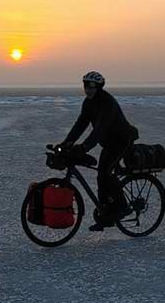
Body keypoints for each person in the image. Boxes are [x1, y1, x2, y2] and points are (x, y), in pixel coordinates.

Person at [59, 71, 138, 231]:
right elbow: (80, 124)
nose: (88, 89)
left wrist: (84, 147)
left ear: (99, 87)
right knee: (101, 177)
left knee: (105, 173)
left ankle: (122, 206)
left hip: (122, 141)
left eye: (92, 87)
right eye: (86, 86)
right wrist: (67, 143)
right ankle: (107, 215)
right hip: (108, 143)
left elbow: (99, 130)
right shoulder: (88, 103)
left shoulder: (107, 102)